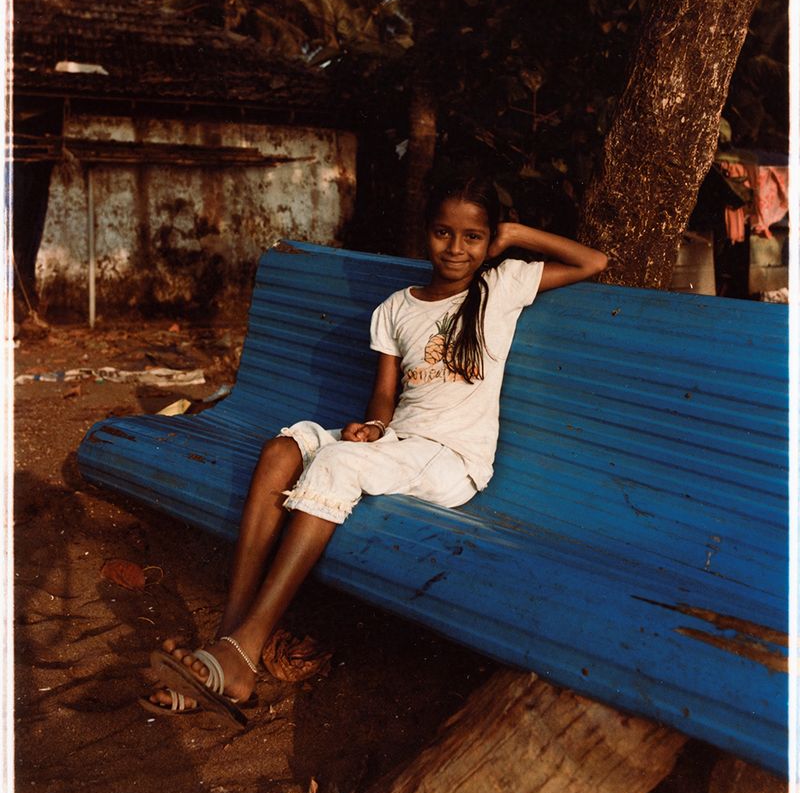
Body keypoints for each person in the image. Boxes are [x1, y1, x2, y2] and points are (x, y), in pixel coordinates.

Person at [143, 172, 607, 724]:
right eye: (442, 232)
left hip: (452, 461)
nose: (456, 248)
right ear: (424, 233)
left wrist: (515, 232)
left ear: (489, 241)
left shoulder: (500, 286)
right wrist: (372, 428)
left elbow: (592, 263)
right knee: (281, 450)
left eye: (472, 237)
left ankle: (241, 652)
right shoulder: (396, 308)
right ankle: (230, 643)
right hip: (401, 444)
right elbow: (385, 397)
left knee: (337, 463)